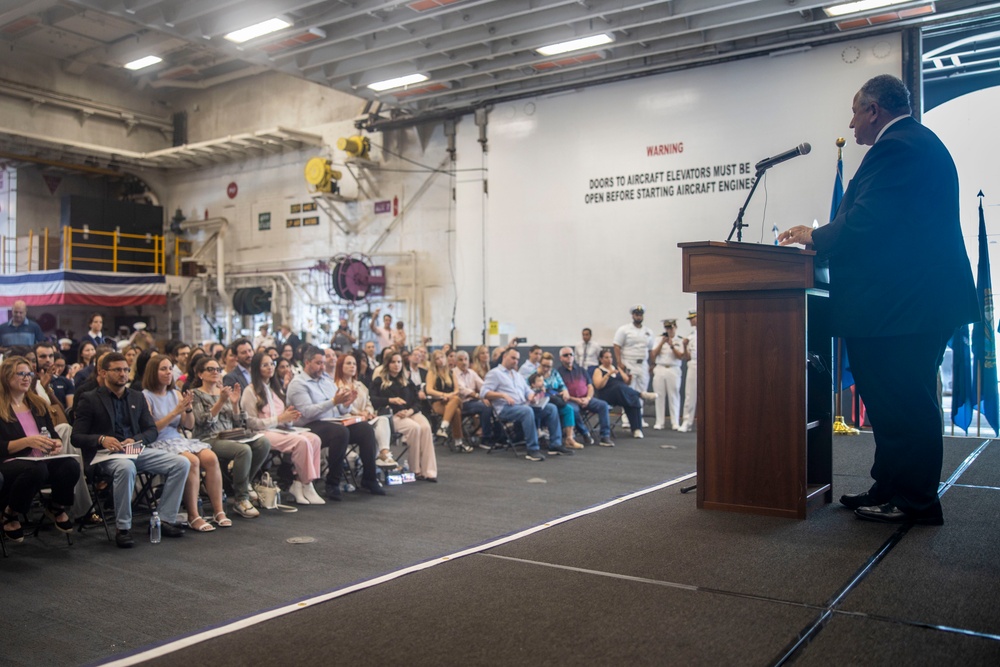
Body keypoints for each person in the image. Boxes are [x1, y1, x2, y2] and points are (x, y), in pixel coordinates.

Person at [778, 74, 978, 526]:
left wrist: (817, 236)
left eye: (854, 112)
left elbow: (870, 222)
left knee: (905, 401)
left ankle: (915, 501)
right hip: (902, 305)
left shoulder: (900, 147)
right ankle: (890, 485)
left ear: (873, 110)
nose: (850, 125)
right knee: (892, 402)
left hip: (905, 308)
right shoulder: (912, 143)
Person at [72, 352, 190, 548]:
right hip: (104, 456)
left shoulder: (136, 396)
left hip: (133, 450)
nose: (123, 374)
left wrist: (135, 439)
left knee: (181, 462)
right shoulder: (90, 399)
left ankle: (165, 518)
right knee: (126, 467)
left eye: (126, 369)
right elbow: (76, 437)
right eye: (117, 370)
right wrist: (102, 439)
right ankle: (123, 527)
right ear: (103, 372)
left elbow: (151, 430)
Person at [142, 354, 228, 532]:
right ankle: (193, 515)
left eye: (169, 369)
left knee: (210, 458)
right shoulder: (146, 396)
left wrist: (187, 409)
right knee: (193, 461)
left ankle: (218, 511)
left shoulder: (174, 393)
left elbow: (189, 425)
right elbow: (151, 429)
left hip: (177, 438)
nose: (168, 373)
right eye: (163, 369)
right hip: (158, 441)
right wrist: (175, 412)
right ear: (153, 372)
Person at [286, 346, 385, 499]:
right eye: (318, 363)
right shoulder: (298, 384)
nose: (322, 367)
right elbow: (307, 412)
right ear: (307, 362)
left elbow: (341, 410)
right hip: (309, 425)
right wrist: (333, 402)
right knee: (340, 432)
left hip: (333, 421)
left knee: (365, 429)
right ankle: (332, 482)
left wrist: (346, 404)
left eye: (323, 363)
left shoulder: (326, 380)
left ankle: (369, 478)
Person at [0, 356, 80, 543]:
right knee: (37, 470)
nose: (26, 378)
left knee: (70, 465)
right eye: (21, 374)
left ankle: (55, 506)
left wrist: (56, 443)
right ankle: (10, 513)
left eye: (29, 374)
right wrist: (27, 442)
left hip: (40, 460)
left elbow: (52, 434)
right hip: (10, 462)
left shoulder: (37, 403)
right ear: (6, 377)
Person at [189, 356, 272, 519]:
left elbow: (239, 422)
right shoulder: (196, 394)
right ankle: (241, 499)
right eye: (210, 369)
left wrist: (234, 404)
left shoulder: (224, 392)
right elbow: (203, 422)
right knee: (243, 450)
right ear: (200, 374)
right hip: (208, 438)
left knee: (263, 443)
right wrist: (221, 401)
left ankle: (245, 482)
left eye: (218, 370)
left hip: (230, 436)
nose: (215, 372)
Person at [241, 352, 325, 506]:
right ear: (256, 368)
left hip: (280, 430)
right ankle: (307, 484)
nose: (270, 368)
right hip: (261, 433)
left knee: (314, 439)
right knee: (301, 442)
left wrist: (290, 419)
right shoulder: (250, 391)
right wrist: (279, 419)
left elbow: (284, 419)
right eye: (265, 365)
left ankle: (299, 483)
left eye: (271, 364)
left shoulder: (275, 389)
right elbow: (251, 423)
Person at [481, 347, 570, 461]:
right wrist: (502, 395)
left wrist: (531, 396)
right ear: (504, 357)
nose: (515, 361)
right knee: (527, 411)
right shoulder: (495, 373)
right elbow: (483, 392)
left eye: (517, 359)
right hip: (505, 408)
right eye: (513, 358)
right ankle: (532, 449)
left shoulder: (516, 375)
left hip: (523, 405)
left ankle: (555, 444)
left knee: (551, 408)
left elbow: (527, 390)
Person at [369, 352, 438, 481]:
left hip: (410, 412)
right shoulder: (379, 381)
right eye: (393, 362)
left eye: (399, 362)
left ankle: (429, 471)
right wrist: (390, 400)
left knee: (425, 427)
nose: (397, 365)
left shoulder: (407, 381)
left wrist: (410, 411)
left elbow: (418, 401)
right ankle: (415, 469)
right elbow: (372, 399)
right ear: (387, 364)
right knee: (414, 428)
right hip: (393, 415)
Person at [333, 353, 398, 469]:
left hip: (364, 419)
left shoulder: (360, 385)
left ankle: (384, 454)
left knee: (382, 419)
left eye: (354, 364)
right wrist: (359, 413)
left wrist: (368, 412)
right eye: (348, 363)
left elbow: (369, 403)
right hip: (347, 422)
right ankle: (374, 465)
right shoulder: (335, 386)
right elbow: (340, 407)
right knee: (371, 430)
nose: (352, 366)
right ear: (340, 367)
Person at [557, 347, 613, 447]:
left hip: (586, 398)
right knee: (572, 410)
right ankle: (585, 433)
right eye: (566, 355)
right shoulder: (558, 373)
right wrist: (576, 400)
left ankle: (605, 436)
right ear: (560, 358)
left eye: (571, 354)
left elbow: (590, 386)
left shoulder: (581, 370)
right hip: (571, 400)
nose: (569, 357)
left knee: (603, 405)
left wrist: (587, 398)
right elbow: (561, 392)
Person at [613, 306, 657, 426]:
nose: (638, 316)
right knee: (629, 391)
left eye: (640, 314)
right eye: (636, 314)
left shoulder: (648, 332)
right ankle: (627, 419)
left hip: (643, 364)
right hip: (629, 363)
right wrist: (619, 362)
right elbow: (617, 346)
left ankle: (638, 418)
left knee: (642, 391)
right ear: (632, 315)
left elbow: (650, 350)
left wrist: (652, 364)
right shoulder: (624, 329)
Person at [425, 349, 472, 452]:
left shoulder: (451, 372)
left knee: (455, 398)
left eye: (442, 357)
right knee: (456, 411)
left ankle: (443, 427)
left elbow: (456, 390)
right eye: (437, 359)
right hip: (438, 401)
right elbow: (429, 390)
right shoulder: (432, 373)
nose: (440, 360)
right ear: (434, 361)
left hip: (452, 400)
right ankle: (459, 442)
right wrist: (443, 395)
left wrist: (449, 396)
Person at [592, 348, 644, 439]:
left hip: (620, 395)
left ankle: (637, 429)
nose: (609, 359)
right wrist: (608, 375)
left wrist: (630, 378)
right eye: (606, 357)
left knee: (631, 398)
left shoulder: (616, 368)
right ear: (601, 359)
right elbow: (598, 386)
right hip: (607, 395)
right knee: (620, 388)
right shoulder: (598, 370)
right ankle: (640, 394)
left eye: (610, 357)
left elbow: (626, 382)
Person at [537, 352, 583, 449]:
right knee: (553, 409)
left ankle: (569, 439)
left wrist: (565, 391)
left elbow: (562, 385)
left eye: (548, 366)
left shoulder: (554, 372)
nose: (546, 369)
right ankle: (554, 441)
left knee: (569, 409)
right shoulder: (535, 374)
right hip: (542, 402)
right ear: (540, 363)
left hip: (555, 399)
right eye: (544, 366)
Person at [454, 351, 495, 447]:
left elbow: (483, 386)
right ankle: (486, 438)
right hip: (462, 403)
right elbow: (462, 390)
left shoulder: (472, 373)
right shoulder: (453, 373)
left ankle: (498, 435)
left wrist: (490, 394)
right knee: (485, 407)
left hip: (474, 401)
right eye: (460, 360)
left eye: (466, 359)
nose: (464, 362)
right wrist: (480, 397)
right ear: (456, 362)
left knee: (495, 403)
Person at [651, 319, 685, 431]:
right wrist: (662, 343)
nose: (669, 330)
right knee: (659, 395)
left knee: (674, 395)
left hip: (673, 368)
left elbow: (680, 356)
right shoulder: (658, 339)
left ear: (675, 327)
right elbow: (653, 355)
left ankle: (675, 422)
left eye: (671, 328)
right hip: (660, 367)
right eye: (667, 328)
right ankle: (659, 422)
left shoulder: (680, 340)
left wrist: (671, 346)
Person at [678, 311, 697, 433]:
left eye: (693, 318)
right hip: (694, 364)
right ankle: (687, 421)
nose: (690, 320)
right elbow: (687, 357)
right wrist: (684, 346)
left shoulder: (710, 331)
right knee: (690, 394)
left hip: (709, 363)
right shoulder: (690, 337)